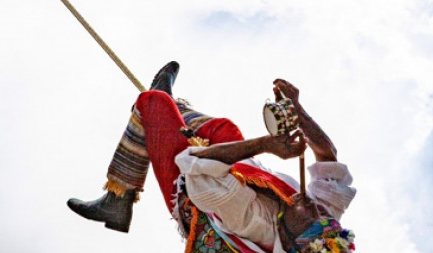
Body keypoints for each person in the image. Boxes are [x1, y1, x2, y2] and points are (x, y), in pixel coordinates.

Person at [67, 61, 357, 253]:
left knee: (150, 104)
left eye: (310, 216)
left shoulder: (252, 224)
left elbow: (196, 163)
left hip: (193, 191)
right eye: (322, 212)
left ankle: (120, 195)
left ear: (294, 243)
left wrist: (267, 145)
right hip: (234, 176)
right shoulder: (323, 224)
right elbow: (328, 156)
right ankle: (171, 113)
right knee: (225, 128)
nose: (314, 206)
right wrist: (298, 109)